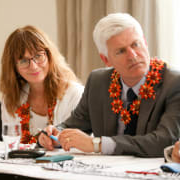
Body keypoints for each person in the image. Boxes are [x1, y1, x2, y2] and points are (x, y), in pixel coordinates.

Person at [38, 13, 180, 157]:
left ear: (145, 42)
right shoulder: (98, 81)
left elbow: (165, 141)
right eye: (121, 51)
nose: (133, 56)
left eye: (135, 44)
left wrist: (96, 144)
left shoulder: (174, 83)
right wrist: (55, 134)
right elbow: (75, 124)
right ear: (106, 59)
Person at [0, 25, 84, 144]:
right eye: (24, 61)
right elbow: (11, 144)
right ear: (14, 68)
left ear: (49, 56)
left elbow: (78, 144)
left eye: (38, 56)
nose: (33, 66)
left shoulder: (75, 94)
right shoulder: (11, 98)